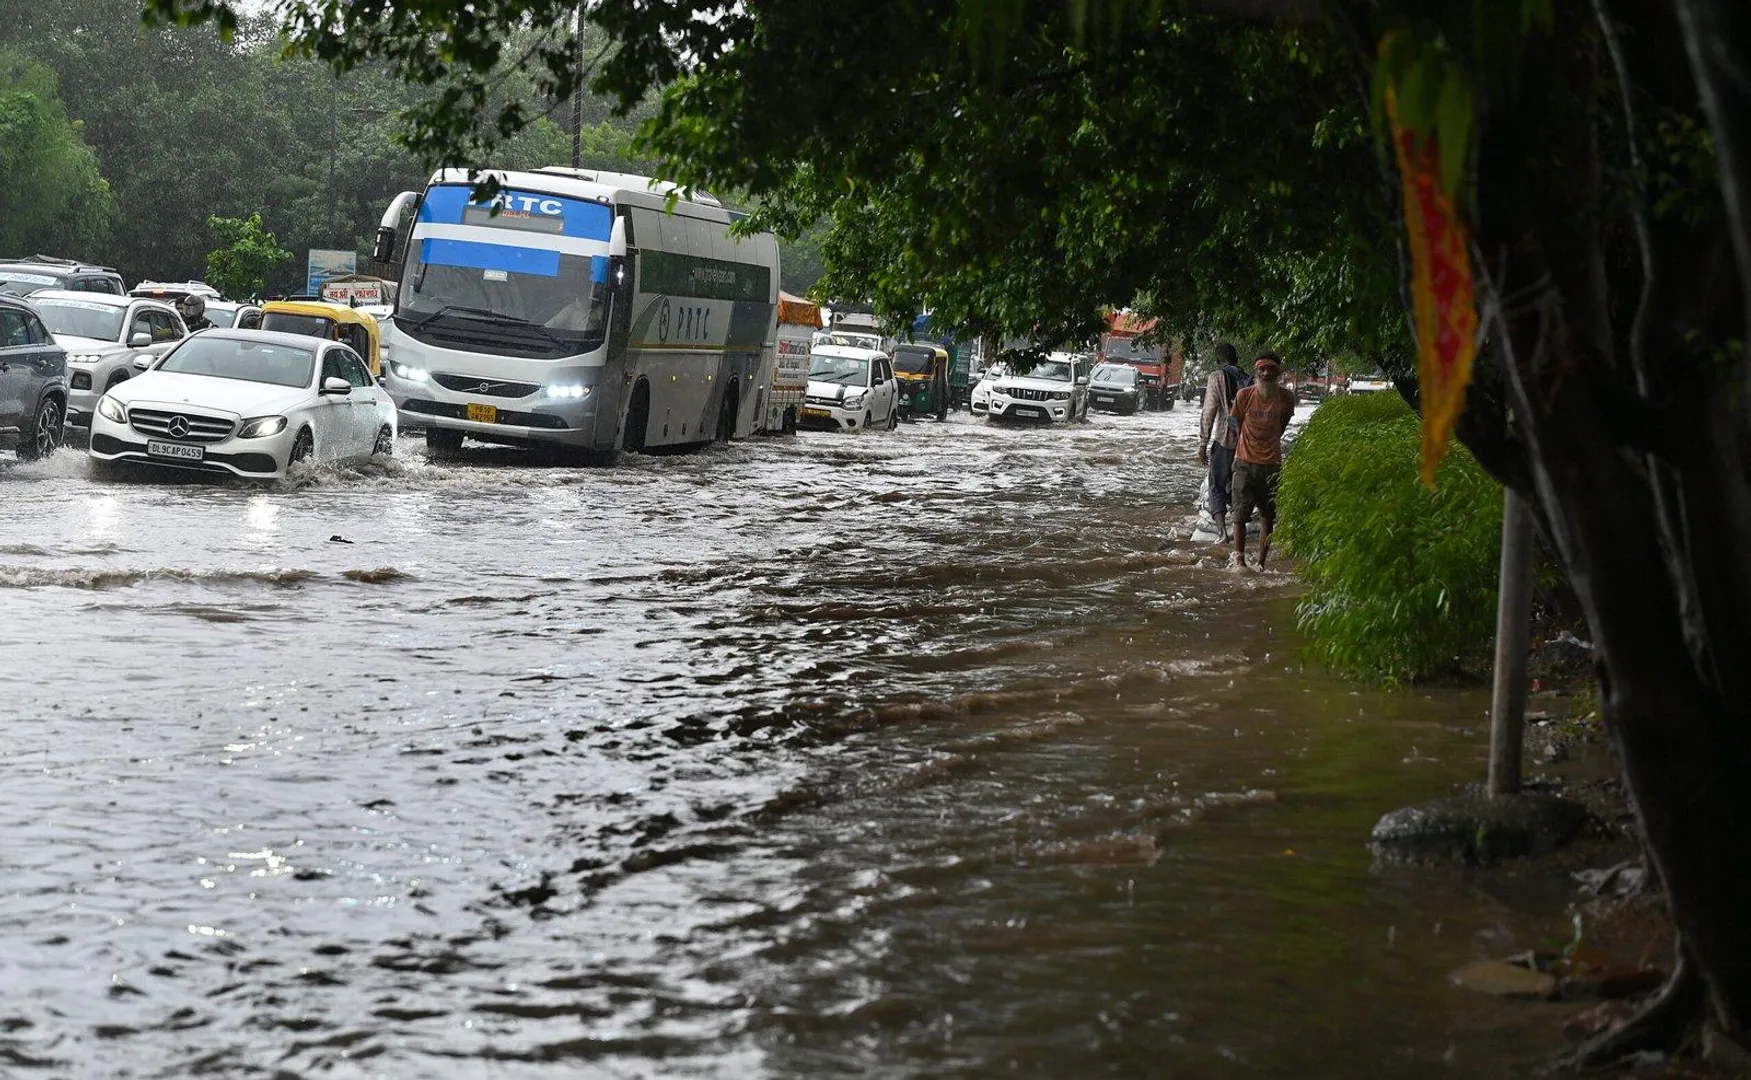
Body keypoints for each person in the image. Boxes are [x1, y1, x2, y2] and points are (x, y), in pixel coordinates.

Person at [1230, 352, 1296, 568]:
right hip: (1244, 463)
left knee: (1268, 516)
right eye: (1262, 369)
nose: (1266, 373)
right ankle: (1238, 562)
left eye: (1271, 369)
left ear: (1279, 372)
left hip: (1272, 466)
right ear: (1256, 371)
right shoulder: (1244, 395)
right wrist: (1245, 447)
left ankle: (1260, 563)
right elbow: (1238, 426)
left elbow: (1281, 427)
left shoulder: (1286, 398)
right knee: (1239, 514)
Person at [1198, 342, 1245, 541]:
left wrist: (1203, 443)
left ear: (1218, 360)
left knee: (1216, 484)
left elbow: (1209, 411)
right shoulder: (1248, 378)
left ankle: (1222, 532)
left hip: (1225, 440)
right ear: (1236, 359)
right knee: (1239, 485)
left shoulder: (1217, 377)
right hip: (1247, 442)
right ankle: (1240, 525)